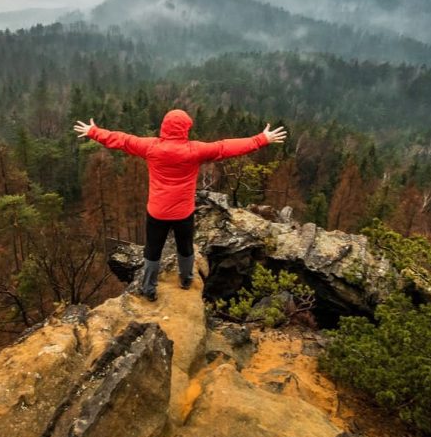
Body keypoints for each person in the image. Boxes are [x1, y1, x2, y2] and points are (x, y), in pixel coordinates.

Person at [73, 109, 286, 300]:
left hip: (157, 212)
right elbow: (225, 147)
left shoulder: (151, 147)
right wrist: (261, 139)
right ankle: (185, 280)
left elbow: (122, 140)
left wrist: (94, 132)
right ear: (185, 129)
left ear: (164, 127)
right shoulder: (194, 150)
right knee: (185, 248)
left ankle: (148, 288)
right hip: (183, 213)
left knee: (152, 250)